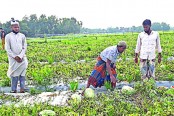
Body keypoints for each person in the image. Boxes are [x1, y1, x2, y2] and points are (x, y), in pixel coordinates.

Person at [5, 19, 28, 93]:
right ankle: (13, 89)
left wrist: (20, 56)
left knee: (22, 73)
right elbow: (7, 49)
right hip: (13, 59)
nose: (17, 28)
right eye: (15, 27)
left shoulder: (22, 36)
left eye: (18, 27)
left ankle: (22, 89)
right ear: (12, 28)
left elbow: (24, 47)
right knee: (14, 74)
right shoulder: (8, 36)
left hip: (22, 58)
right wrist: (15, 57)